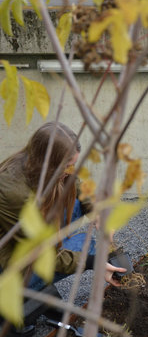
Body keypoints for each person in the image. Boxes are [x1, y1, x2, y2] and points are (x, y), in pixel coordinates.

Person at [0, 122, 125, 293]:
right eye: (67, 166)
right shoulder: (13, 192)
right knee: (86, 244)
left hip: (33, 234)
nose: (71, 170)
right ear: (49, 162)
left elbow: (76, 183)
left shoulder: (35, 162)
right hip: (12, 262)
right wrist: (93, 262)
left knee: (75, 202)